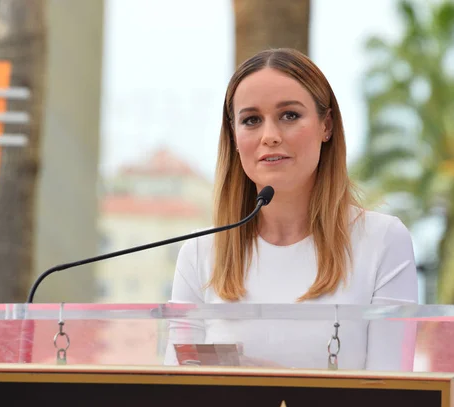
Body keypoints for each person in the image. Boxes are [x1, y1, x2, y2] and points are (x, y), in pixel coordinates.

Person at [164, 48, 418, 370]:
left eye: (289, 116)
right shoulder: (199, 254)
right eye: (251, 120)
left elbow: (393, 395)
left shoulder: (383, 241)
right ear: (234, 136)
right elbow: (175, 393)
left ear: (326, 126)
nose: (269, 136)